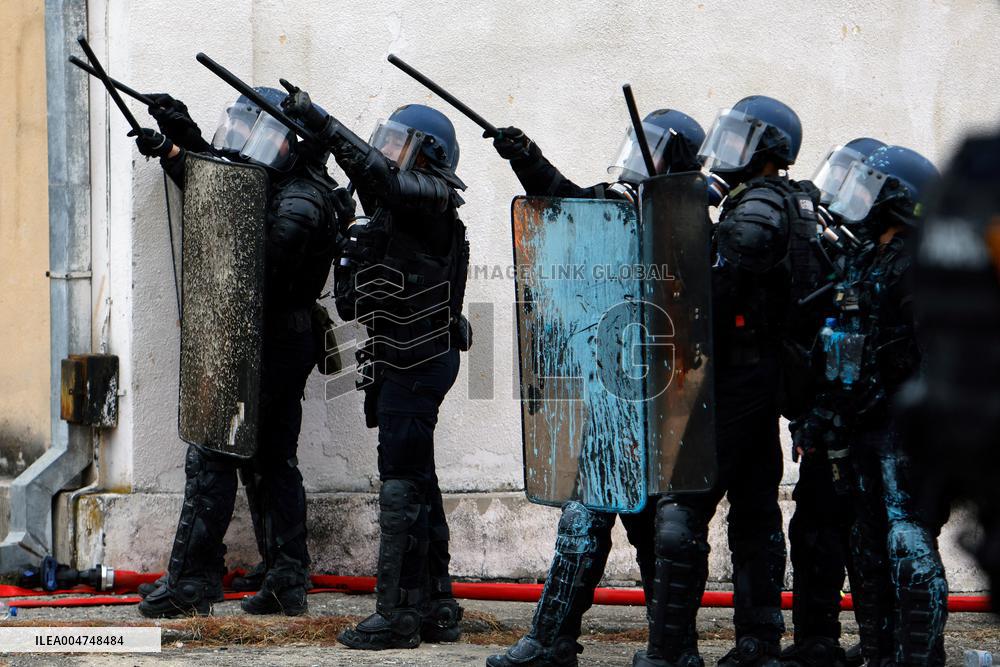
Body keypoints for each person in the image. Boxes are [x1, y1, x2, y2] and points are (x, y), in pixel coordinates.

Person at [482, 109, 707, 667]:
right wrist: (526, 156)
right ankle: (554, 639)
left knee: (658, 534)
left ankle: (669, 646)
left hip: (661, 404)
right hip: (610, 398)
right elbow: (563, 202)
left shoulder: (690, 222)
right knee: (584, 521)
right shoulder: (613, 206)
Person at [128, 87, 354, 618]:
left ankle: (192, 581)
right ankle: (284, 579)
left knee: (214, 453)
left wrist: (183, 155)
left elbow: (241, 238)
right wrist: (177, 140)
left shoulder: (302, 200)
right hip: (266, 338)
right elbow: (224, 188)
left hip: (270, 340)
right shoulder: (281, 184)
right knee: (269, 461)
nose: (253, 146)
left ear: (294, 145)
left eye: (267, 135)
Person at [281, 86, 471, 649]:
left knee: (400, 486)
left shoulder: (431, 198)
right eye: (383, 143)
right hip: (401, 355)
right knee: (419, 482)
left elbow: (381, 180)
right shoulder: (396, 212)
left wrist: (324, 122)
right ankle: (436, 607)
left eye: (397, 145)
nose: (386, 153)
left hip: (419, 359)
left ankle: (398, 616)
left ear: (429, 155)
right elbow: (352, 304)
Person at [637, 96, 815, 667]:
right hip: (761, 378)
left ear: (767, 149)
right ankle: (758, 640)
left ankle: (671, 649)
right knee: (757, 508)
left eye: (742, 137)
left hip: (735, 378)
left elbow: (715, 294)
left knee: (682, 508)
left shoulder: (757, 209)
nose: (728, 147)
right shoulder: (787, 201)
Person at [799, 145, 947, 665]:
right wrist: (822, 418)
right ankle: (880, 650)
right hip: (859, 427)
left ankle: (918, 656)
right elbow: (841, 345)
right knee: (865, 545)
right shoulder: (862, 258)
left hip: (902, 433)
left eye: (868, 187)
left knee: (908, 541)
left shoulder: (922, 266)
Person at [780, 138, 887, 667]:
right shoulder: (836, 251)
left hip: (869, 426)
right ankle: (816, 637)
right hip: (824, 419)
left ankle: (877, 645)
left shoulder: (887, 263)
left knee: (868, 539)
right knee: (813, 529)